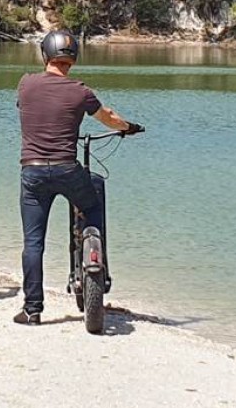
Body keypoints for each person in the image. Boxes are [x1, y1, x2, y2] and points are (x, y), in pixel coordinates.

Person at [14, 29, 141, 325]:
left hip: (32, 171)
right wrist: (129, 127)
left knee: (33, 242)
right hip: (66, 169)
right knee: (93, 193)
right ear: (73, 58)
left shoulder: (25, 84)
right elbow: (108, 116)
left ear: (44, 54)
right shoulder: (80, 91)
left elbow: (25, 107)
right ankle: (96, 255)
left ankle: (33, 309)